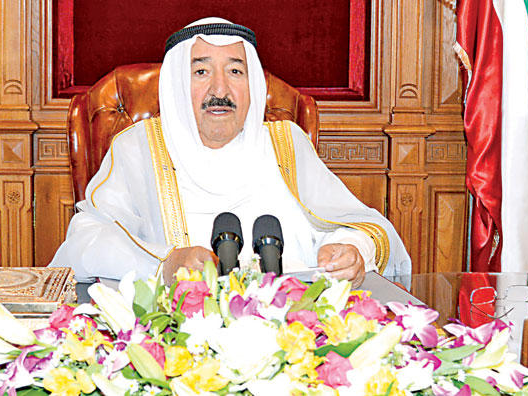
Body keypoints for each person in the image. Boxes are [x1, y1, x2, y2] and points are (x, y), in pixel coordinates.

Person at [50, 18, 411, 286]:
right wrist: (164, 264)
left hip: (295, 333)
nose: (219, 89)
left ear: (252, 84)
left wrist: (350, 250)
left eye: (235, 71)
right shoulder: (139, 148)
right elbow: (86, 241)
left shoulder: (286, 143)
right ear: (177, 85)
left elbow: (357, 226)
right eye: (201, 71)